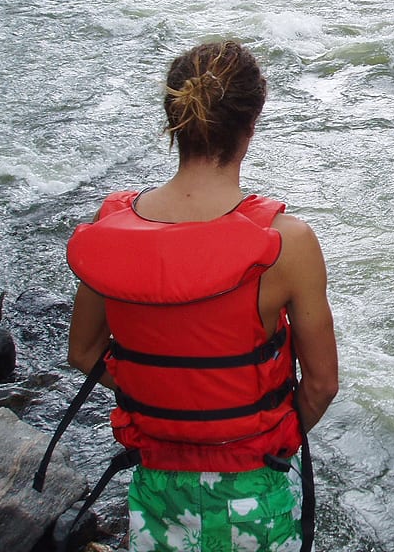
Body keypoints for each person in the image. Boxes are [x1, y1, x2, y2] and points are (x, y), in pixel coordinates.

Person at [65, 40, 338, 552]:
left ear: (174, 123)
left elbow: (81, 354)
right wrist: (265, 432)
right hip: (257, 486)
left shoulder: (111, 227)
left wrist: (166, 403)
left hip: (157, 484)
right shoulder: (287, 243)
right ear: (251, 127)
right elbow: (321, 385)